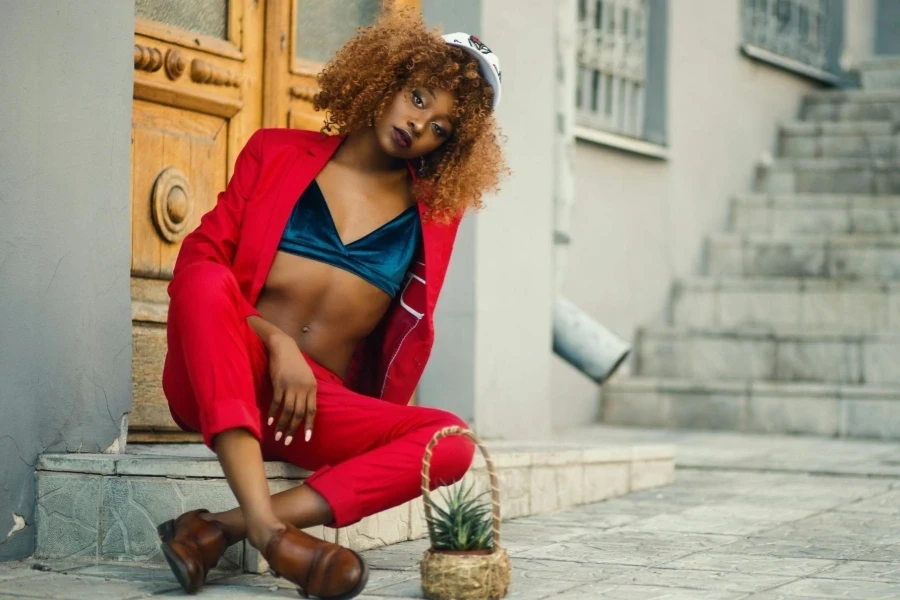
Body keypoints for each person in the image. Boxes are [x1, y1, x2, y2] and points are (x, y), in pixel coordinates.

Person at [156, 9, 506, 600]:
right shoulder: (275, 153)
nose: (420, 124)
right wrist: (277, 342)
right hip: (224, 373)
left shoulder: (435, 218)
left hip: (313, 410)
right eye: (418, 97)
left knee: (452, 441)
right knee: (205, 281)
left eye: (442, 127)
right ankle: (271, 533)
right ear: (387, 80)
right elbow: (198, 264)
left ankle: (218, 529)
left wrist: (311, 371)